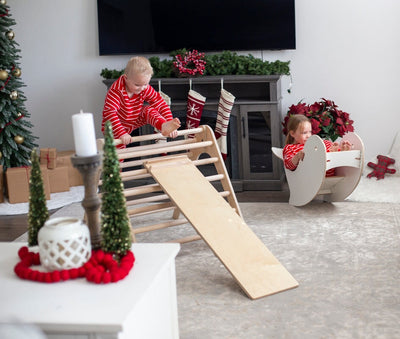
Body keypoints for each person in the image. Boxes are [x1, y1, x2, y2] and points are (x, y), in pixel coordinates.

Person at [101, 56, 181, 148]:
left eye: (145, 84)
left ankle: (164, 126)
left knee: (148, 110)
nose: (142, 88)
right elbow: (110, 113)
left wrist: (169, 121)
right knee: (118, 155)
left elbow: (160, 103)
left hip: (133, 120)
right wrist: (121, 133)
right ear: (126, 78)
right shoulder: (116, 90)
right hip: (114, 125)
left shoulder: (144, 88)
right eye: (137, 85)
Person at [283, 115, 351, 175]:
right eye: (304, 133)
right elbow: (288, 165)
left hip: (327, 170)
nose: (308, 136)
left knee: (326, 145)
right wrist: (297, 157)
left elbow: (325, 145)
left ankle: (340, 151)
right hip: (311, 175)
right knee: (319, 152)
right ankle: (331, 153)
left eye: (310, 132)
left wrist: (340, 149)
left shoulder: (318, 143)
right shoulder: (290, 148)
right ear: (292, 133)